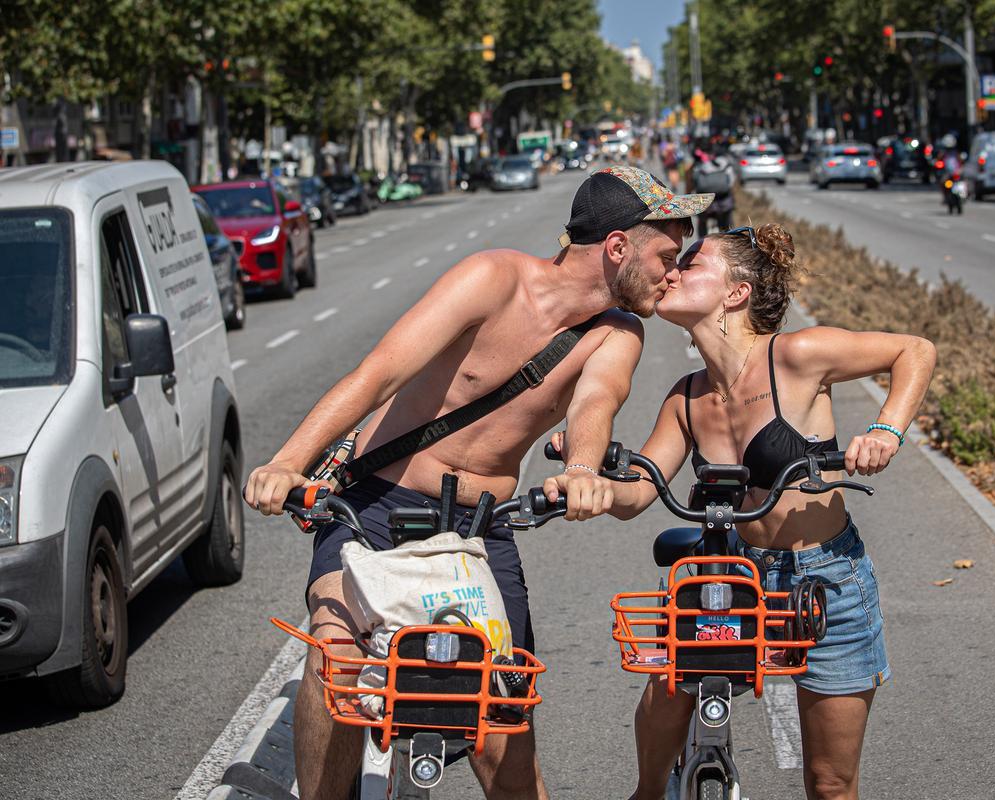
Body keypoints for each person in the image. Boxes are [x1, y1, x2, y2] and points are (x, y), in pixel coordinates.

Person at [243, 165, 713, 800]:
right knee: (337, 662)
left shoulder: (617, 334)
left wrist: (580, 471)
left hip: (477, 531)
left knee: (502, 726)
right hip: (376, 507)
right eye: (666, 253)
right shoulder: (492, 278)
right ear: (618, 246)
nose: (673, 272)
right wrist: (287, 463)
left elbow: (595, 404)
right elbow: (377, 374)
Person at [550, 223, 935, 800]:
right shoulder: (685, 396)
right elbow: (639, 493)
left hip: (826, 581)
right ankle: (648, 794)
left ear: (736, 293)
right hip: (737, 574)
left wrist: (886, 429)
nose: (670, 272)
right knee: (666, 686)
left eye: (690, 263)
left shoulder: (797, 356)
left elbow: (915, 351)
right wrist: (595, 483)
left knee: (830, 782)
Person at [687, 145, 736, 235]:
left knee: (702, 222)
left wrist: (688, 195)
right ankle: (729, 239)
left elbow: (691, 182)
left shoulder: (698, 164)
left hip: (705, 202)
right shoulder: (724, 161)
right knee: (727, 226)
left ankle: (701, 242)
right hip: (724, 201)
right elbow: (731, 181)